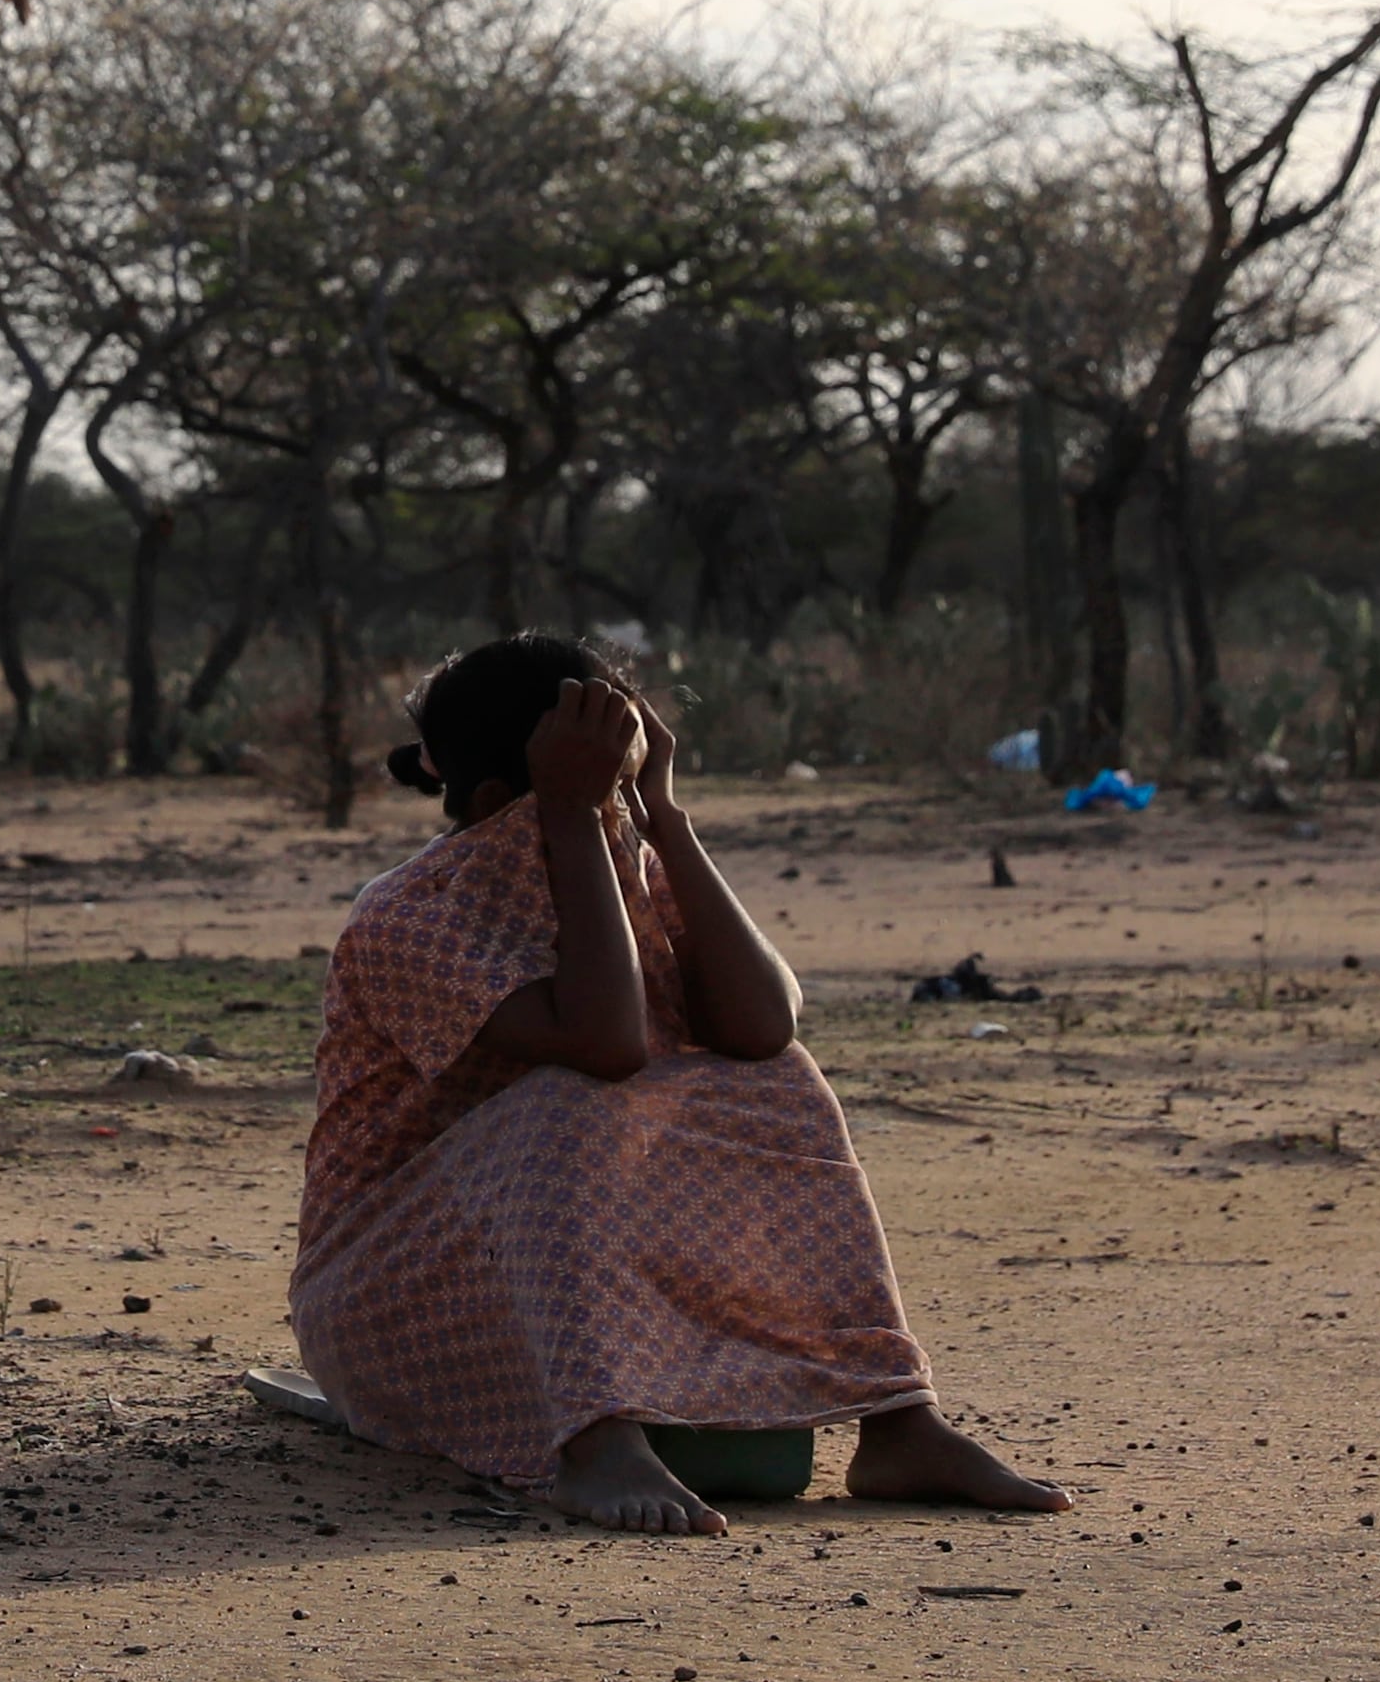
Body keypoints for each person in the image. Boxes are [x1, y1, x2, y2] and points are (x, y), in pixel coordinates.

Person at [290, 635, 1068, 1535]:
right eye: (592, 790)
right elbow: (604, 1043)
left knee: (778, 1080)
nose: (612, 813)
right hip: (390, 1287)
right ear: (505, 802)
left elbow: (763, 1023)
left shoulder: (630, 865)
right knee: (563, 1098)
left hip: (568, 1275)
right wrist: (577, 819)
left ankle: (897, 1419)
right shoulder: (407, 914)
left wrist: (663, 815)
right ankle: (593, 1441)